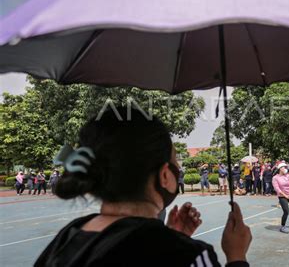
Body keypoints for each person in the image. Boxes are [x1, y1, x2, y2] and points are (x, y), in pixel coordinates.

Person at [35, 107, 252, 267]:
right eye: (175, 162)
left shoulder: (69, 236)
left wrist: (172, 236)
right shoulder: (187, 255)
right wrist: (236, 256)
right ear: (165, 174)